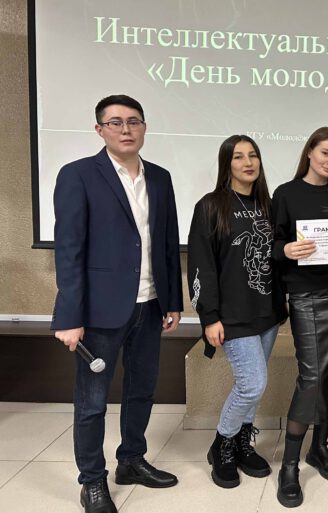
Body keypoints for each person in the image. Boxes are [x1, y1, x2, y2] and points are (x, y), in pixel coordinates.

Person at [52, 95, 182, 513]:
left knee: (142, 390)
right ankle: (92, 481)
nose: (126, 129)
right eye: (115, 122)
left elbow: (166, 243)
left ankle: (131, 461)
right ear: (100, 130)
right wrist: (70, 315)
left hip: (150, 304)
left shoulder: (159, 177)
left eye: (134, 121)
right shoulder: (78, 175)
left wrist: (173, 301)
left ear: (144, 127)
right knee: (92, 403)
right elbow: (69, 251)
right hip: (98, 311)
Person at [187, 135, 288, 489]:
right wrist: (209, 316)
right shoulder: (211, 206)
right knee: (252, 383)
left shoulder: (269, 206)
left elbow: (279, 253)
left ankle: (243, 443)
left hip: (267, 312)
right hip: (232, 316)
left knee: (252, 387)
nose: (248, 162)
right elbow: (202, 264)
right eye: (239, 156)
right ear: (226, 164)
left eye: (253, 155)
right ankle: (222, 444)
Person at [271, 126, 328, 508]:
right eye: (325, 153)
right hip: (307, 299)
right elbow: (271, 244)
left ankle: (319, 449)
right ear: (309, 152)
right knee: (312, 378)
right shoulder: (285, 194)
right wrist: (286, 249)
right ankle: (289, 465)